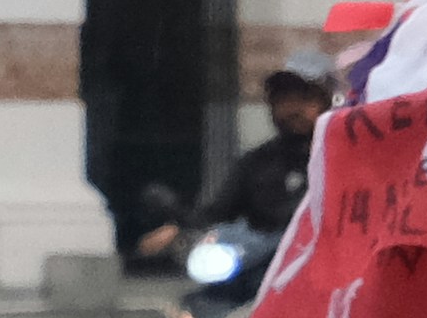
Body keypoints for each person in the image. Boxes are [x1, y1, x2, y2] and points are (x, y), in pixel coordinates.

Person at [135, 55, 333, 265]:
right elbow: (217, 213)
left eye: (305, 98)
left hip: (330, 266)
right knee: (203, 297)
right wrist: (178, 227)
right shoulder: (257, 162)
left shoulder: (346, 159)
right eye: (284, 99)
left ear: (328, 101)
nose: (293, 109)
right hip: (264, 266)